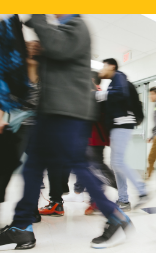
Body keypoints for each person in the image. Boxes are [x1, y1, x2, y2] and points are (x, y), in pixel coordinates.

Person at [0, 14, 133, 250]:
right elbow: (58, 59)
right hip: (50, 110)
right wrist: (39, 53)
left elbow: (60, 48)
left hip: (68, 111)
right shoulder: (62, 30)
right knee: (32, 168)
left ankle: (116, 217)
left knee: (78, 165)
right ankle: (22, 227)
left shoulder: (76, 25)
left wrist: (37, 20)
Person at [97, 58, 149, 211]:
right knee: (116, 163)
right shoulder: (115, 81)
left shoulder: (119, 76)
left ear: (111, 66)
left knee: (118, 162)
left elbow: (119, 94)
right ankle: (123, 200)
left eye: (104, 66)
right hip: (119, 125)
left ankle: (142, 191)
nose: (102, 70)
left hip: (122, 123)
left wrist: (99, 95)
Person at [63, 71, 118, 214]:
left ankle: (99, 199)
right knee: (89, 166)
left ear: (92, 80)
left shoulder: (98, 95)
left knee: (95, 167)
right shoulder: (93, 95)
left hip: (95, 137)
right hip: (90, 136)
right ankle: (89, 197)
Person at [0, 41, 42, 223]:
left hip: (40, 128)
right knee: (5, 168)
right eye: (29, 45)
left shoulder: (46, 72)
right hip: (18, 126)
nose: (32, 47)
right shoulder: (16, 72)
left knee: (34, 171)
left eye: (36, 45)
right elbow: (3, 97)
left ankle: (31, 211)